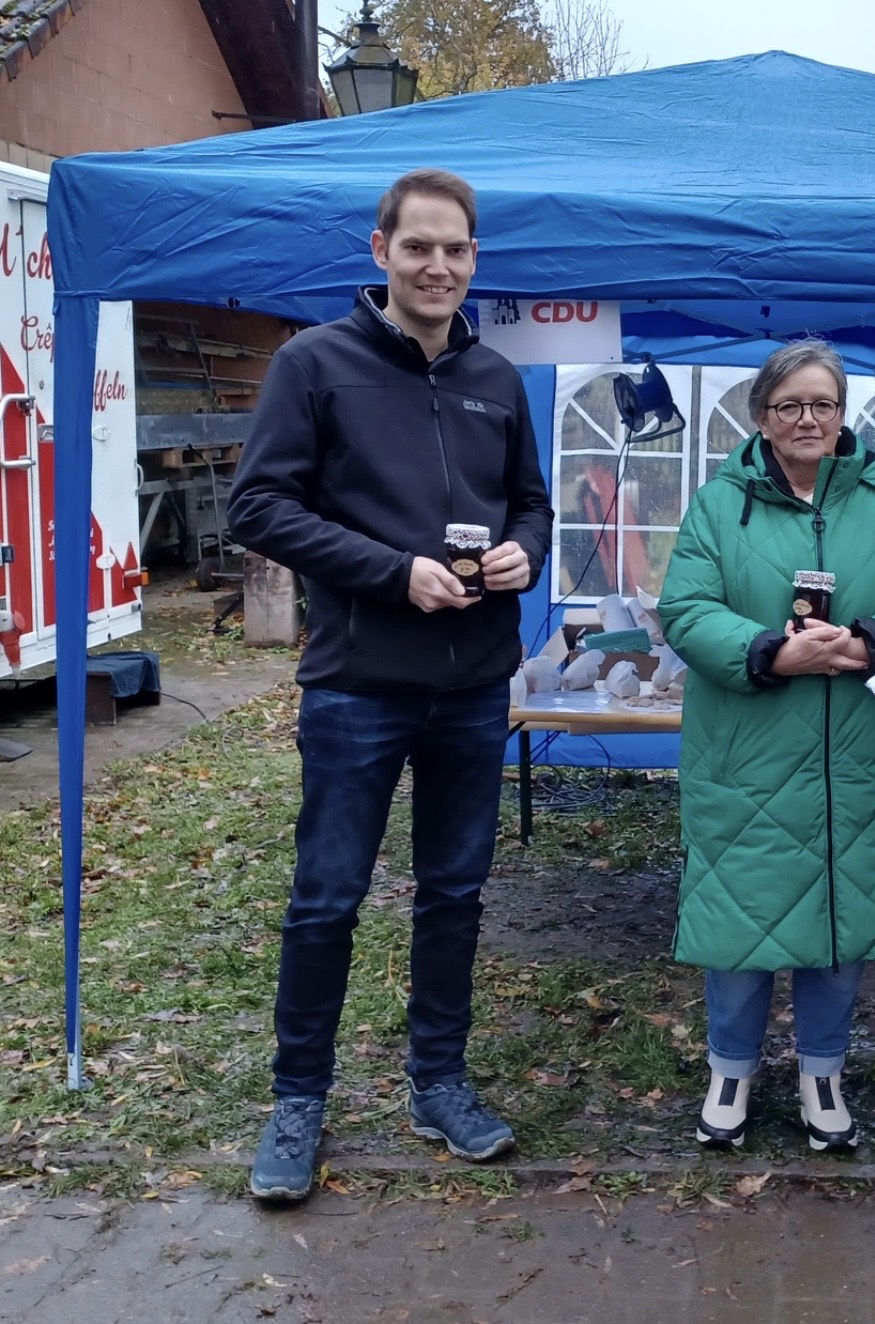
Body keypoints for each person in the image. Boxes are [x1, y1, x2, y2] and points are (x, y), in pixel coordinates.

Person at [228, 168, 554, 1201]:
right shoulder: (313, 363)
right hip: (359, 683)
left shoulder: (496, 378)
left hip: (473, 683)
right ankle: (297, 1100)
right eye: (418, 247)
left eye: (455, 249)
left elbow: (532, 503)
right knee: (327, 898)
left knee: (454, 893)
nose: (437, 266)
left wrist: (525, 551)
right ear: (381, 252)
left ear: (474, 259)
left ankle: (438, 1082)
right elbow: (258, 506)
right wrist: (389, 571)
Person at [658, 339, 875, 1151]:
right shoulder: (719, 503)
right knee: (741, 915)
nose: (807, 419)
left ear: (843, 412)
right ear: (762, 417)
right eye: (789, 406)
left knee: (843, 917)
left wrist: (869, 640)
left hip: (862, 749)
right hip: (749, 748)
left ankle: (824, 1073)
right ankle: (730, 1071)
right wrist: (768, 653)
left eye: (823, 404)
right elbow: (685, 607)